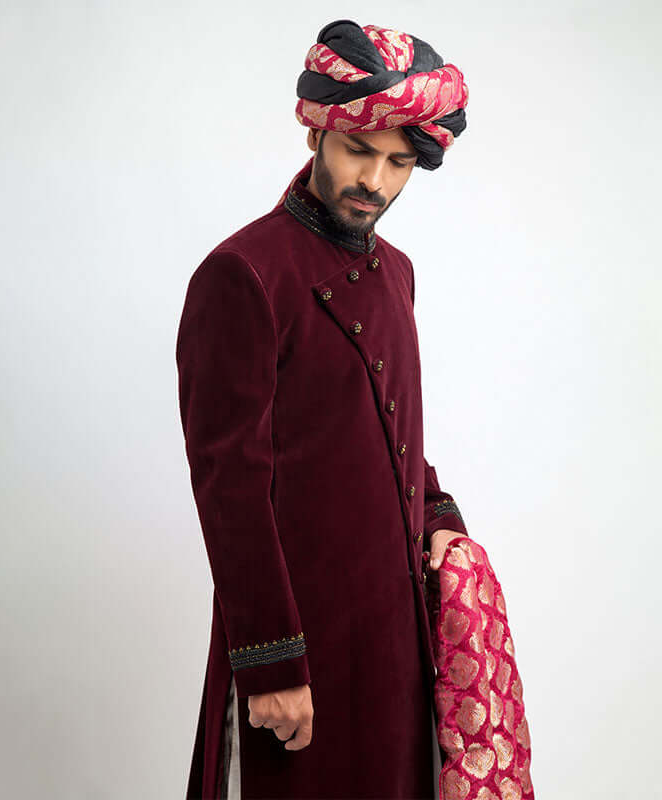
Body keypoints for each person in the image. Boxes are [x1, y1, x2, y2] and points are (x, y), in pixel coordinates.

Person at [176, 18, 471, 799]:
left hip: (393, 636)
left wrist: (440, 518)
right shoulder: (243, 273)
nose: (374, 180)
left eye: (399, 162)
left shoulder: (397, 272)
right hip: (297, 642)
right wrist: (271, 663)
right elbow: (229, 487)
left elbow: (394, 434)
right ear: (318, 134)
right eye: (359, 151)